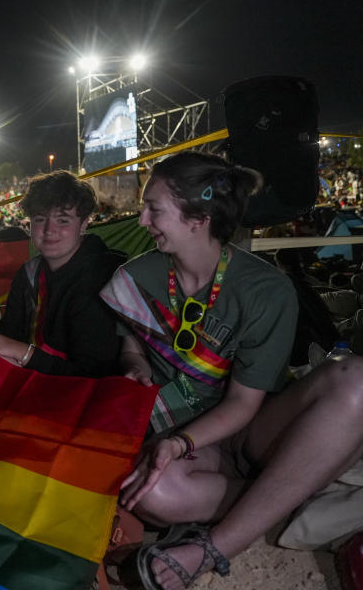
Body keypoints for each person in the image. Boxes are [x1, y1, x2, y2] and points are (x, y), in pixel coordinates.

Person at [99, 152, 363, 589]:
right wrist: (134, 362)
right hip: (196, 444)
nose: (142, 219)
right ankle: (297, 486)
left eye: (154, 209)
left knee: (354, 381)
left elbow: (243, 403)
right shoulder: (138, 275)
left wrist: (178, 445)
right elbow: (130, 339)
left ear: (197, 218)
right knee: (153, 494)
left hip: (255, 431)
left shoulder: (264, 288)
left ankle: (212, 547)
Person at [0, 171, 125, 376]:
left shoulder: (106, 276)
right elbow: (8, 336)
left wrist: (24, 353)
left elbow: (93, 374)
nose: (49, 230)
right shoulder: (29, 273)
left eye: (62, 220)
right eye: (39, 219)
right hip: (30, 386)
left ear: (83, 225)